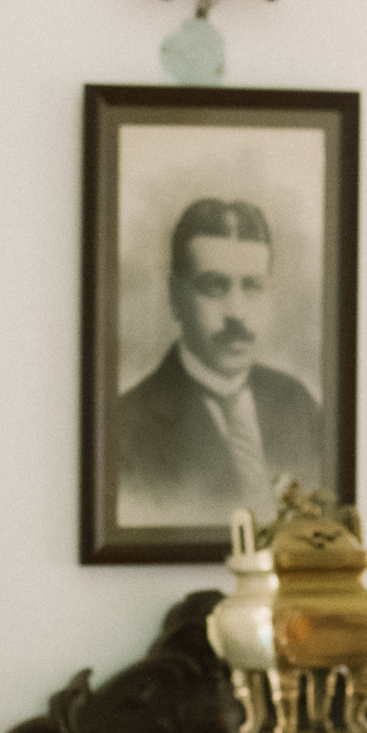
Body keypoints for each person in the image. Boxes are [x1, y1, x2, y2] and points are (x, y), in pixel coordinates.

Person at [113, 195, 322, 528]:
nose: (237, 312)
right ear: (175, 297)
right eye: (214, 287)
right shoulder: (124, 428)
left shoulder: (296, 402)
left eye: (253, 286)